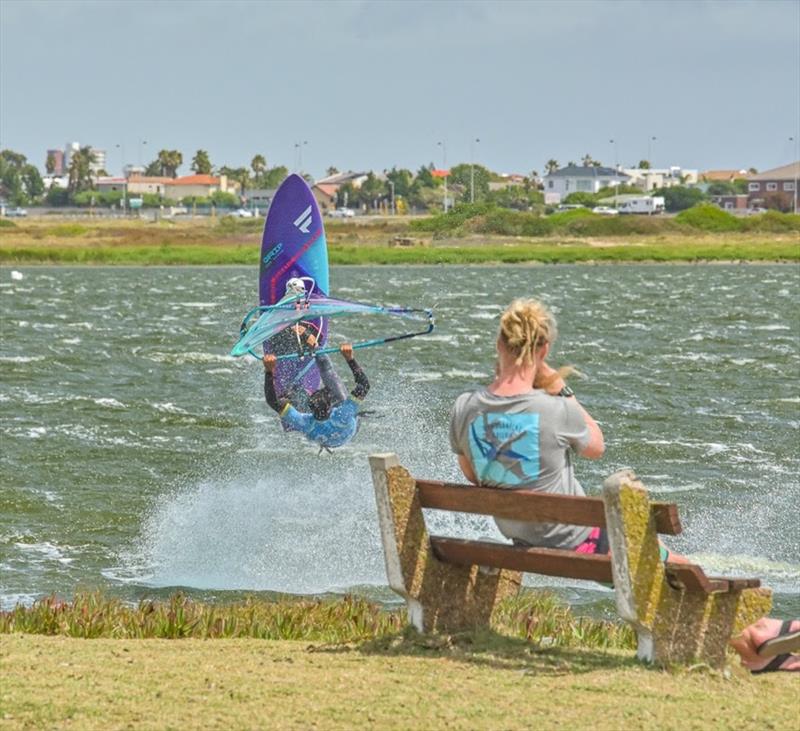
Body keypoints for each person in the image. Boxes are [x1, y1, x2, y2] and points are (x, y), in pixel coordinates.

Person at [449, 297, 605, 552]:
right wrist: (561, 389)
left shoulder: (464, 407)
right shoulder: (556, 409)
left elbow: (473, 475)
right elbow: (597, 447)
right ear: (543, 351)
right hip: (579, 540)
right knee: (676, 565)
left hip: (519, 539)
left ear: (499, 344)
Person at [263, 336, 369, 450]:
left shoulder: (305, 422)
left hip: (322, 435)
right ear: (331, 405)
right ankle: (316, 347)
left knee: (295, 394)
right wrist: (350, 358)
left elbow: (271, 401)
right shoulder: (342, 414)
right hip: (347, 429)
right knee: (327, 372)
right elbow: (364, 385)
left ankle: (292, 401)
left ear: (310, 410)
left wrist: (269, 371)